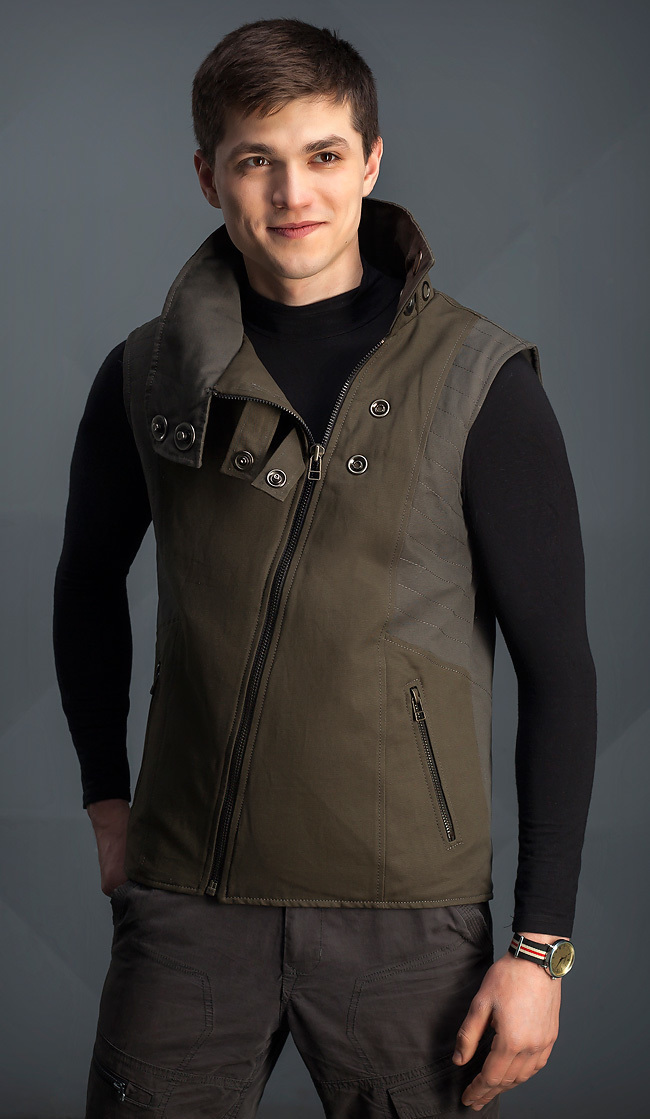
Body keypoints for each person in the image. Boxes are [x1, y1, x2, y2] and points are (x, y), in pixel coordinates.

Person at [52, 17, 597, 1119]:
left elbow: (559, 671)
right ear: (208, 176)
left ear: (371, 160)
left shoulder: (478, 380)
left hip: (409, 921)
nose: (292, 192)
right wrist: (106, 796)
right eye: (256, 159)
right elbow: (84, 586)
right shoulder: (145, 372)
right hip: (186, 907)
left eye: (323, 154)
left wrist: (540, 949)